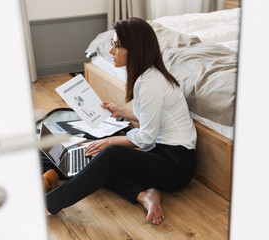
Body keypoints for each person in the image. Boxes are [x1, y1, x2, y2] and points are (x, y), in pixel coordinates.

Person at [43, 17, 197, 226]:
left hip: (175, 165)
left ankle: (49, 204)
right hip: (160, 150)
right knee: (100, 154)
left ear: (135, 49)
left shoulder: (149, 84)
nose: (110, 51)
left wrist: (109, 142)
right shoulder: (146, 76)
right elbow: (152, 117)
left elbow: (146, 138)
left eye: (117, 45)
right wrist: (121, 111)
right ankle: (144, 194)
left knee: (109, 153)